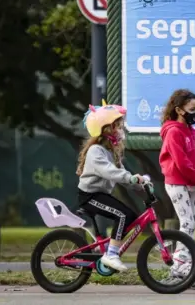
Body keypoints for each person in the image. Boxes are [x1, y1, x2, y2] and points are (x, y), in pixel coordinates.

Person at [75, 100, 148, 272]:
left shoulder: (111, 152)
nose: (121, 130)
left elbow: (122, 175)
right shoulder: (96, 151)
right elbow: (110, 172)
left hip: (100, 195)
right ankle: (111, 255)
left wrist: (141, 186)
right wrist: (131, 179)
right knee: (124, 215)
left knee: (129, 215)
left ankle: (107, 252)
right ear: (107, 130)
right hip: (90, 197)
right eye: (118, 126)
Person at [159, 89, 195, 280]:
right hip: (177, 182)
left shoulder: (191, 132)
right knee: (187, 222)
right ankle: (179, 264)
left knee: (191, 223)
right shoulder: (173, 132)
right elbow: (181, 163)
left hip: (190, 182)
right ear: (180, 110)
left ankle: (188, 262)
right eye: (192, 108)